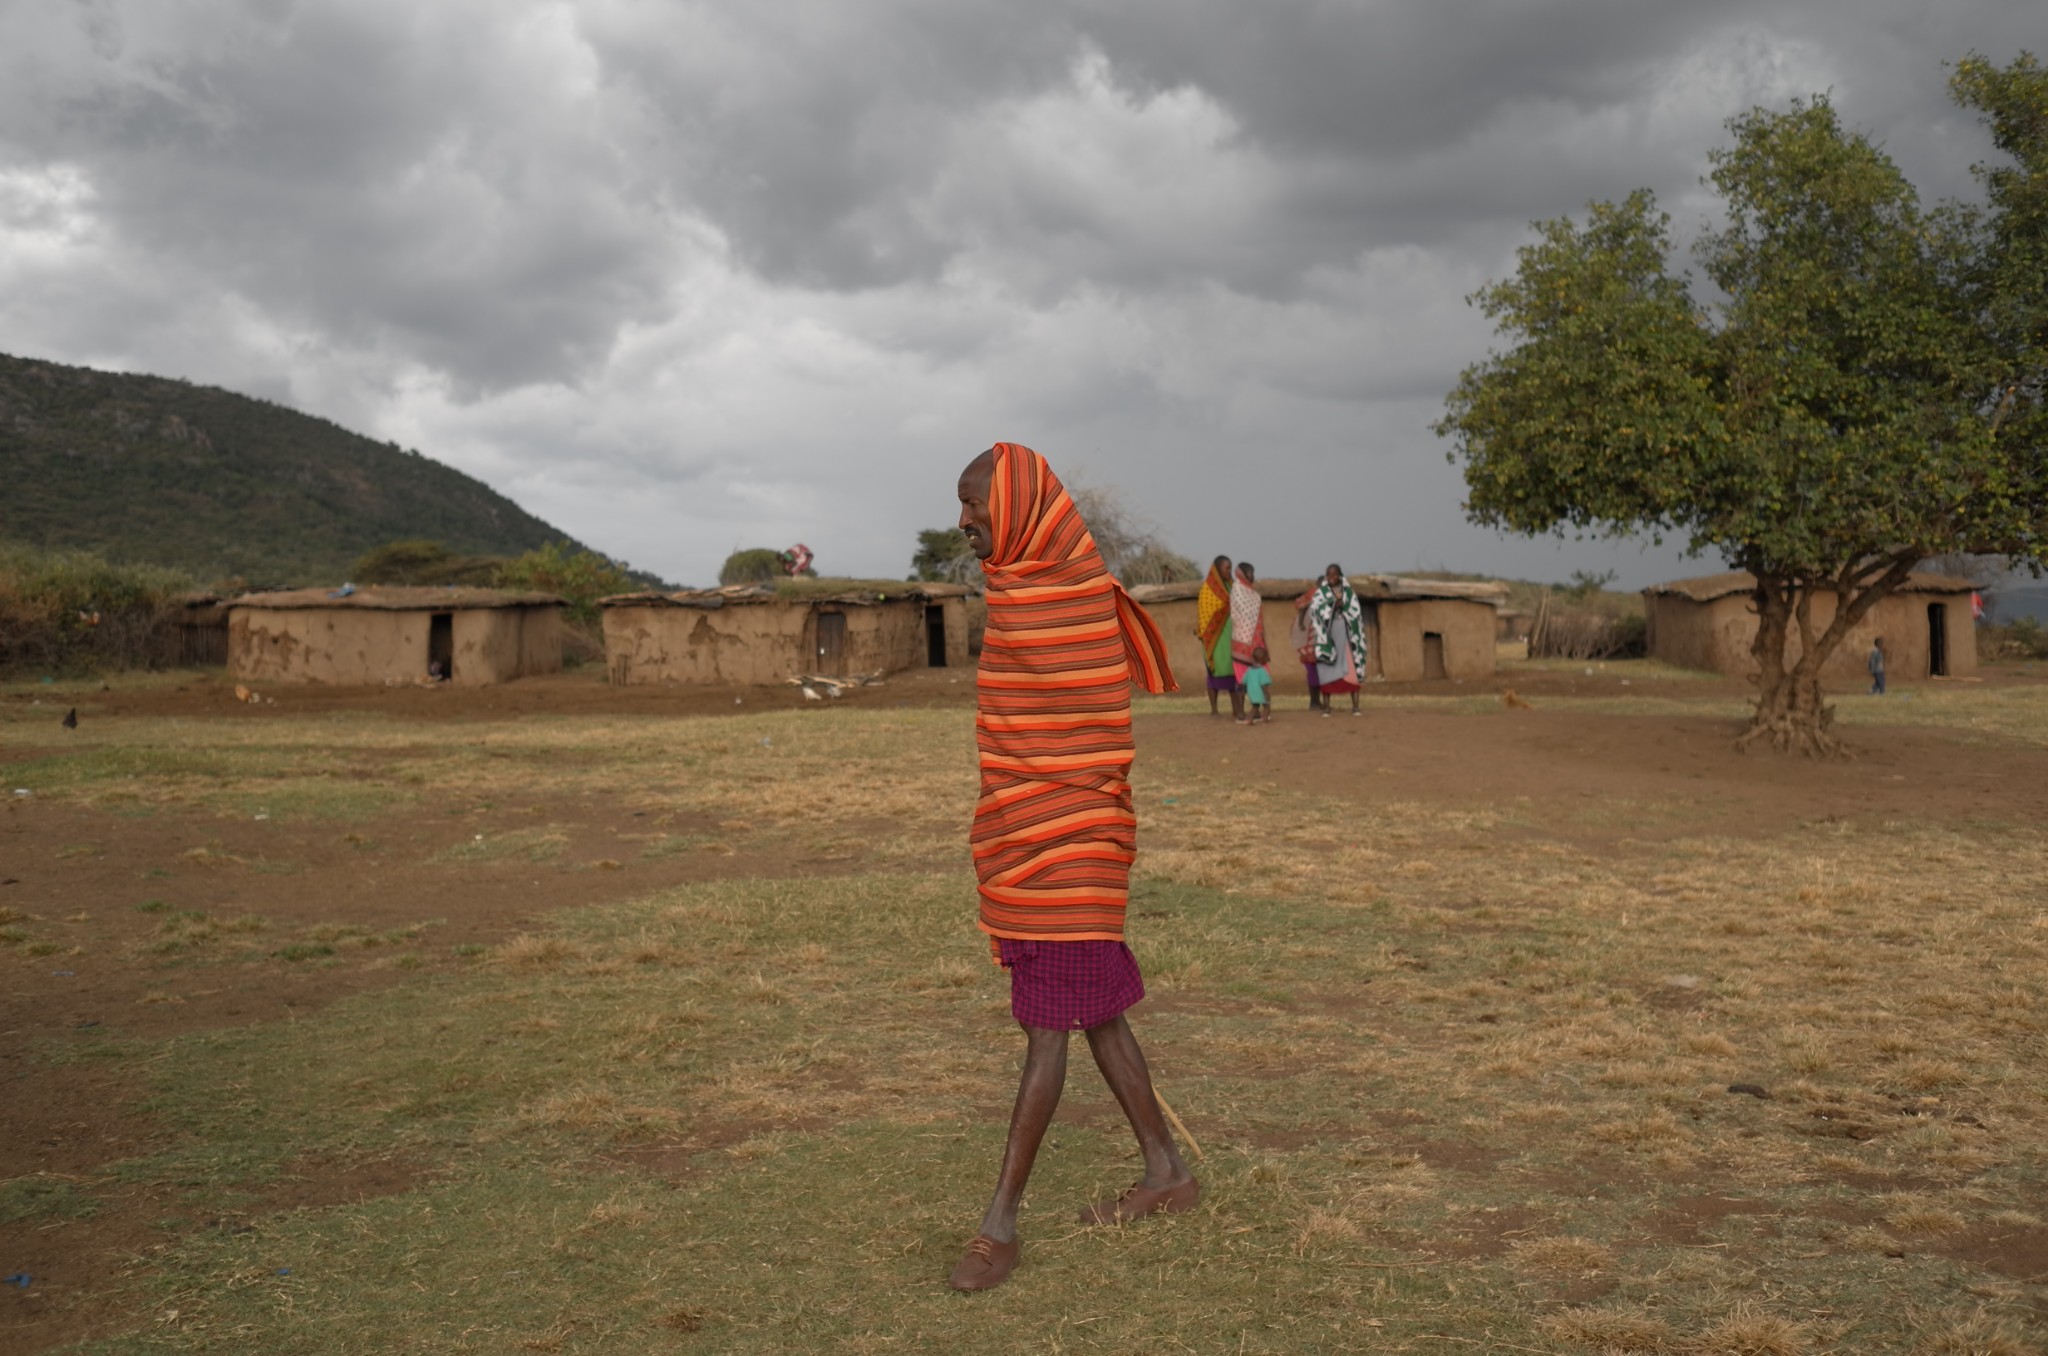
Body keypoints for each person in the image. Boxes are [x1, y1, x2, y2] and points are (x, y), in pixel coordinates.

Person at [948, 443, 1197, 1294]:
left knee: (1048, 1031)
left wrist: (1042, 814)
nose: (965, 519)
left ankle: (1000, 1225)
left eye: (974, 504)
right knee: (1097, 1019)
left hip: (1071, 843)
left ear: (1013, 506)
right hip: (1036, 835)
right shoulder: (1026, 588)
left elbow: (1080, 731)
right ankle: (1166, 1169)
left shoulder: (1069, 596)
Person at [1309, 563, 1368, 716]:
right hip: (1328, 636)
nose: (1331, 578)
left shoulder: (1349, 592)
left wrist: (1344, 607)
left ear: (1340, 575)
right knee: (1326, 669)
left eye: (1334, 575)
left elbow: (1356, 612)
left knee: (1351, 668)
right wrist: (1333, 605)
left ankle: (1355, 706)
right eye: (1329, 575)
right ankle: (1327, 707)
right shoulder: (1320, 593)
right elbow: (1315, 610)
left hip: (1346, 634)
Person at [1196, 555, 1242, 719]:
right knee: (1213, 673)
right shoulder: (1207, 590)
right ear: (1217, 569)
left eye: (1230, 568)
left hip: (1231, 637)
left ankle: (1236, 709)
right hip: (1214, 639)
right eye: (1226, 568)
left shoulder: (1233, 586)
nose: (1229, 571)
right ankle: (1214, 709)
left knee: (1232, 673)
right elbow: (1205, 615)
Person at [1228, 562, 1266, 724]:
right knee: (1241, 680)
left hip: (1256, 642)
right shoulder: (1237, 592)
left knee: (1256, 679)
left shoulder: (1254, 595)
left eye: (1253, 572)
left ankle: (1255, 710)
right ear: (1242, 574)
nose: (1253, 576)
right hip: (1241, 641)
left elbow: (1259, 621)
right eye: (1250, 573)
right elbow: (1239, 617)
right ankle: (1240, 712)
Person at [1290, 582, 1325, 711]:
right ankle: (1313, 702)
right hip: (1308, 639)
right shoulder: (1314, 594)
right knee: (1313, 671)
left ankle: (1317, 701)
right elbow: (1303, 608)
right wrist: (1301, 624)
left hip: (1317, 638)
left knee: (1318, 672)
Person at [1243, 644, 1273, 723]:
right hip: (1261, 692)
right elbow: (1264, 684)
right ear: (1263, 659)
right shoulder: (1262, 671)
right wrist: (1267, 694)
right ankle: (1265, 719)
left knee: (1255, 706)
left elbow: (1244, 681)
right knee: (1267, 705)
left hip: (1251, 692)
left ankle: (1249, 719)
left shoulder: (1249, 670)